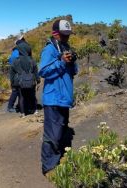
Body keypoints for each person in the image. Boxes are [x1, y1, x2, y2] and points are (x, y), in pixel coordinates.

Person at [39, 19, 78, 175]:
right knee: (52, 135)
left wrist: (72, 62)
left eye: (68, 35)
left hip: (64, 98)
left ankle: (57, 159)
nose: (67, 38)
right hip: (53, 98)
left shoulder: (66, 47)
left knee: (60, 132)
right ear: (55, 34)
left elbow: (73, 71)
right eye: (64, 35)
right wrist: (61, 62)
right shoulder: (49, 50)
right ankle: (48, 167)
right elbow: (43, 71)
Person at [10, 36, 39, 118]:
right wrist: (38, 80)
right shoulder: (32, 60)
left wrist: (12, 83)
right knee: (32, 95)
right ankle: (35, 110)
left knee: (22, 97)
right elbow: (35, 71)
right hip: (31, 81)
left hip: (20, 82)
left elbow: (12, 73)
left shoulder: (16, 61)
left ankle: (23, 114)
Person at [7, 35, 23, 113]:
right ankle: (13, 107)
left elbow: (10, 62)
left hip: (14, 75)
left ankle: (12, 106)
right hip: (18, 75)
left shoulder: (14, 52)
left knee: (16, 91)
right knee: (18, 91)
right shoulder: (18, 53)